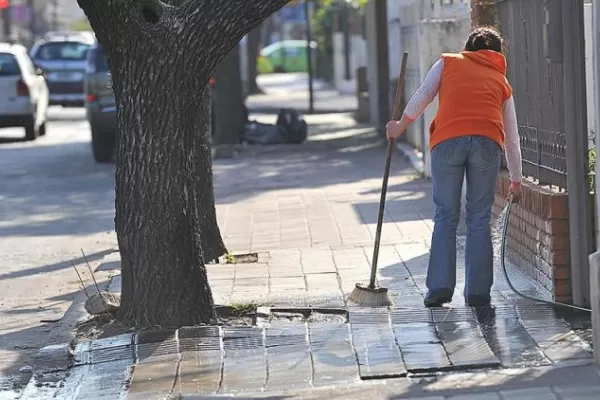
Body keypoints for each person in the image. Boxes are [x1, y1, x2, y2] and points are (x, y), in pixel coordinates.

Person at [386, 27, 523, 308]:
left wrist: (400, 126)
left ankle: (439, 289)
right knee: (479, 218)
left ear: (467, 48)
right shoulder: (501, 80)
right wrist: (517, 179)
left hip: (448, 141)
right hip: (487, 144)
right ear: (497, 53)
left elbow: (424, 94)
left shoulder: (448, 62)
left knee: (446, 215)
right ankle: (477, 293)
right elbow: (512, 133)